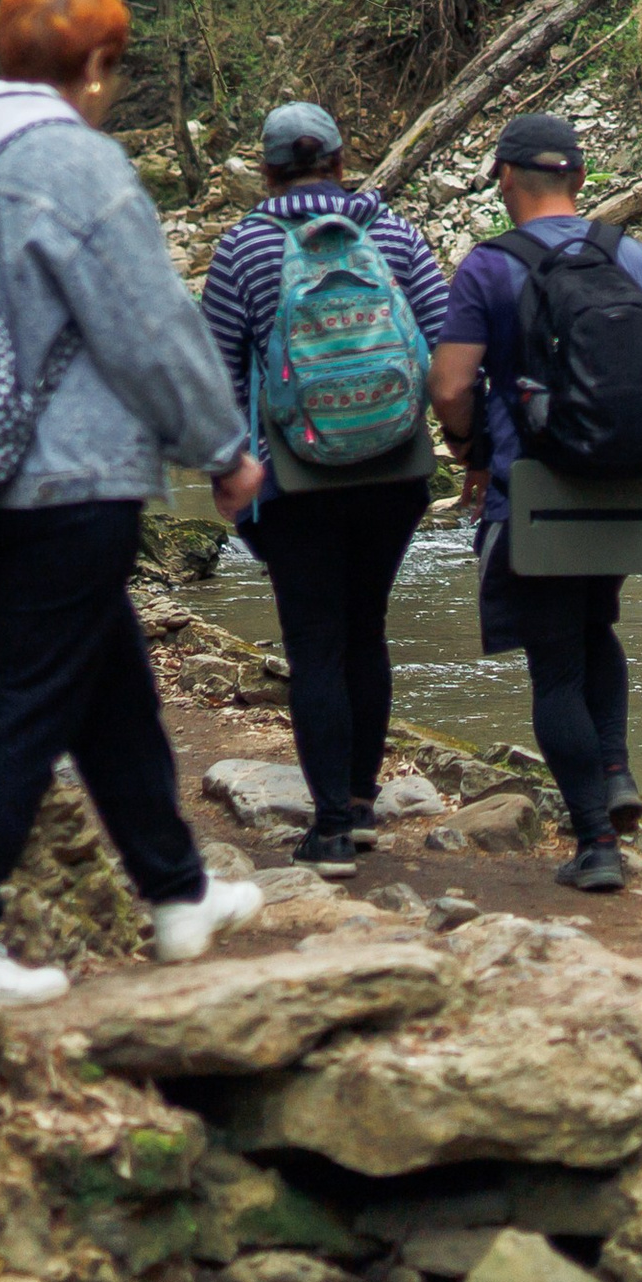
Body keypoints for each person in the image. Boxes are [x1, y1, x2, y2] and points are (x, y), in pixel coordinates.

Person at [0, 0, 268, 1003]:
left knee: (112, 684)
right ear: (95, 64)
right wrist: (222, 448)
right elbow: (150, 325)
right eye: (115, 64)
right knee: (29, 699)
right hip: (67, 484)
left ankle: (177, 894)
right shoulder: (73, 162)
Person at [428, 113, 642, 894]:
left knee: (555, 663)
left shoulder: (489, 268)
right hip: (628, 483)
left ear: (504, 179)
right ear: (580, 179)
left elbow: (449, 387)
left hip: (535, 491)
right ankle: (615, 772)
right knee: (595, 626)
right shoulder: (641, 261)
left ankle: (596, 844)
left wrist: (471, 452)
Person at [201, 103, 449, 876]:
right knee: (366, 628)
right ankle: (364, 806)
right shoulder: (395, 234)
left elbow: (215, 369)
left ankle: (332, 829)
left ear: (265, 171)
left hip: (292, 475)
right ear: (342, 162)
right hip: (396, 469)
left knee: (314, 643)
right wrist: (470, 450)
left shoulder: (243, 246)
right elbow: (444, 346)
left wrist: (225, 468)